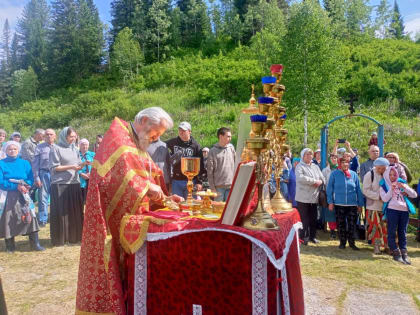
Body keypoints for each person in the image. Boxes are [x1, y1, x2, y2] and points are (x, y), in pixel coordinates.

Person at [76, 107, 183, 315]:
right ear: (143, 120)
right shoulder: (118, 138)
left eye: (159, 135)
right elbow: (119, 176)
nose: (156, 138)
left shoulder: (137, 141)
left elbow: (150, 176)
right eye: (156, 133)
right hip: (108, 219)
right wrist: (147, 188)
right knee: (112, 269)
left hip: (132, 219)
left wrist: (166, 198)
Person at [0, 141, 44, 252]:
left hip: (24, 194)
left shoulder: (25, 163)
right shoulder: (1, 163)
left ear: (18, 150)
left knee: (30, 215)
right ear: (6, 150)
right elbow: (1, 181)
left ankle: (35, 244)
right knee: (9, 218)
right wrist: (16, 186)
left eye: (14, 149)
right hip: (8, 195)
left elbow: (30, 177)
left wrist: (27, 185)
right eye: (10, 149)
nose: (12, 151)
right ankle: (10, 246)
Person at [49, 127, 85, 246]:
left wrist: (83, 164)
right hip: (60, 184)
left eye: (75, 136)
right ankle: (61, 239)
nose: (73, 139)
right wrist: (71, 167)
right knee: (61, 212)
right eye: (71, 137)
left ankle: (74, 237)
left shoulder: (75, 149)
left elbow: (77, 165)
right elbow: (54, 168)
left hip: (74, 183)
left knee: (74, 212)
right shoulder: (56, 148)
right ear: (64, 137)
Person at [380, 166, 417, 264]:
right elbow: (384, 199)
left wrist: (404, 187)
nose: (392, 177)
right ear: (386, 175)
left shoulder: (401, 183)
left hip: (404, 211)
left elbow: (414, 195)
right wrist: (391, 189)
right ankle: (396, 253)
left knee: (402, 232)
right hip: (392, 210)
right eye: (390, 175)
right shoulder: (383, 184)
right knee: (391, 231)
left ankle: (404, 253)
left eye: (394, 174)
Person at [327, 155, 364, 250]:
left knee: (352, 224)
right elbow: (329, 189)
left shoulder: (354, 174)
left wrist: (360, 204)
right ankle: (342, 242)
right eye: (343, 162)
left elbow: (358, 190)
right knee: (341, 224)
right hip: (339, 204)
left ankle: (352, 243)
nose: (345, 164)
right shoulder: (334, 174)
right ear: (340, 163)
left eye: (347, 162)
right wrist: (330, 202)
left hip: (352, 204)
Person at [166, 121, 205, 199]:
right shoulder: (172, 142)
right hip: (176, 180)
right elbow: (160, 145)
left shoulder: (195, 145)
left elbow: (201, 165)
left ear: (189, 131)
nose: (181, 132)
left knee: (191, 206)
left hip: (191, 181)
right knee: (177, 205)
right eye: (180, 130)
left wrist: (199, 182)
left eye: (184, 130)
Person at [295, 148, 325, 245]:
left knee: (313, 218)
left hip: (314, 197)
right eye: (307, 154)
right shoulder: (299, 166)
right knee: (304, 219)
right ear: (302, 156)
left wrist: (321, 181)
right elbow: (300, 178)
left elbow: (322, 177)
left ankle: (313, 236)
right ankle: (304, 237)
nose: (309, 156)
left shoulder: (315, 167)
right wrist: (314, 181)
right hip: (303, 198)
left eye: (310, 154)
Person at [362, 157, 389, 254]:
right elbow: (365, 190)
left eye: (383, 168)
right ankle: (376, 247)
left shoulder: (388, 175)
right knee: (375, 228)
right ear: (375, 166)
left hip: (386, 207)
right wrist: (378, 196)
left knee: (386, 227)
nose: (381, 170)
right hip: (373, 206)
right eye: (379, 168)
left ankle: (387, 246)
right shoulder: (370, 175)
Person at [32, 129, 56, 227]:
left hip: (56, 174)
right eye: (47, 134)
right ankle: (42, 219)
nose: (49, 136)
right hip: (44, 173)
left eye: (51, 134)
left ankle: (55, 217)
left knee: (56, 197)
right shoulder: (39, 147)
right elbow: (35, 164)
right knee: (43, 197)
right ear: (44, 136)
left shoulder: (58, 147)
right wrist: (36, 177)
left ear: (55, 136)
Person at [207, 127, 236, 202]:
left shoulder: (231, 148)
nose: (230, 138)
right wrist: (212, 188)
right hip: (218, 188)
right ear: (220, 136)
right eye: (228, 136)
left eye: (230, 136)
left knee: (229, 210)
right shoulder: (212, 151)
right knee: (218, 210)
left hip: (231, 186)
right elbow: (209, 171)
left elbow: (236, 164)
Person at [322, 153, 338, 238]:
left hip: (339, 195)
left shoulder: (340, 169)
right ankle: (332, 231)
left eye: (335, 158)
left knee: (339, 212)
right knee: (330, 213)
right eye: (332, 158)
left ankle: (339, 230)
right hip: (329, 194)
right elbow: (323, 181)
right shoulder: (325, 170)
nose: (334, 159)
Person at [78, 138, 95, 204]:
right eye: (83, 145)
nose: (85, 146)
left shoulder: (93, 154)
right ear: (79, 145)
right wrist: (81, 174)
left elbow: (97, 165)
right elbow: (74, 166)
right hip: (80, 179)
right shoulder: (76, 155)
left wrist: (91, 173)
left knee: (90, 198)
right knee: (81, 199)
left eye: (86, 145)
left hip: (91, 178)